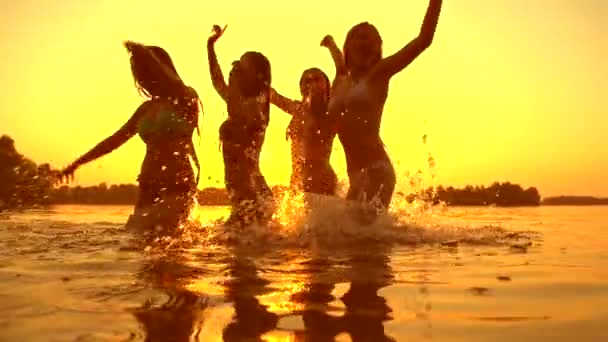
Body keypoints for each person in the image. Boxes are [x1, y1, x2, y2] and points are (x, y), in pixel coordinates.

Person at [60, 41, 202, 232]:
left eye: (144, 72)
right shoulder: (145, 109)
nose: (141, 79)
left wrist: (142, 52)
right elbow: (114, 140)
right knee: (138, 245)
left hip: (176, 184)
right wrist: (78, 162)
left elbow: (173, 81)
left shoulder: (185, 99)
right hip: (147, 185)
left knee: (170, 250)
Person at [326, 0, 443, 223]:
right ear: (348, 45)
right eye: (359, 35)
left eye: (370, 37)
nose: (364, 40)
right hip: (356, 176)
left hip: (377, 171)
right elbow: (338, 62)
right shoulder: (340, 82)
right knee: (348, 239)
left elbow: (423, 40)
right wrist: (330, 44)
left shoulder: (379, 74)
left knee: (360, 241)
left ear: (377, 47)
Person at [207, 25, 275, 226]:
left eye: (242, 66)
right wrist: (210, 47)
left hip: (251, 191)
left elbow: (244, 122)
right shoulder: (236, 103)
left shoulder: (255, 107)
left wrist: (234, 79)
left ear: (257, 76)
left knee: (244, 249)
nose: (236, 67)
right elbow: (216, 80)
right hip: (243, 192)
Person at [270, 67, 337, 195]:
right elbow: (273, 95)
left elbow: (342, 76)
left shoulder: (331, 112)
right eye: (307, 81)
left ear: (326, 85)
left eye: (317, 79)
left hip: (322, 181)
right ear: (301, 87)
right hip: (298, 180)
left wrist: (332, 48)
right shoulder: (297, 109)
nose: (312, 84)